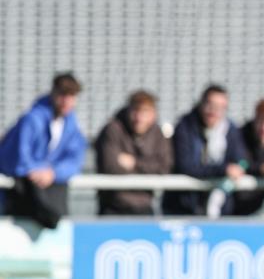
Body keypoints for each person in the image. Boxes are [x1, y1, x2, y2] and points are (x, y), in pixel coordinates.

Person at [0, 72, 86, 229]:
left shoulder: (71, 124)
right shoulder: (32, 119)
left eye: (71, 96)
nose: (66, 101)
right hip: (20, 184)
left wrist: (53, 173)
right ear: (53, 93)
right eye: (63, 95)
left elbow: (75, 159)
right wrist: (37, 170)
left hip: (44, 185)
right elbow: (20, 155)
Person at [162, 84, 248, 216]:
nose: (214, 111)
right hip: (183, 208)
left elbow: (242, 160)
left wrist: (240, 167)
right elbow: (186, 166)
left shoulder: (230, 129)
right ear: (201, 103)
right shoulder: (185, 126)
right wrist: (223, 170)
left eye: (220, 107)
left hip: (219, 209)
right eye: (210, 105)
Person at [94, 90, 173, 215]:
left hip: (145, 207)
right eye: (136, 110)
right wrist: (148, 168)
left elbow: (164, 167)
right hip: (113, 208)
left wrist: (135, 163)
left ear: (153, 114)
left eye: (145, 111)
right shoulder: (113, 129)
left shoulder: (157, 134)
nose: (139, 117)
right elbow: (111, 167)